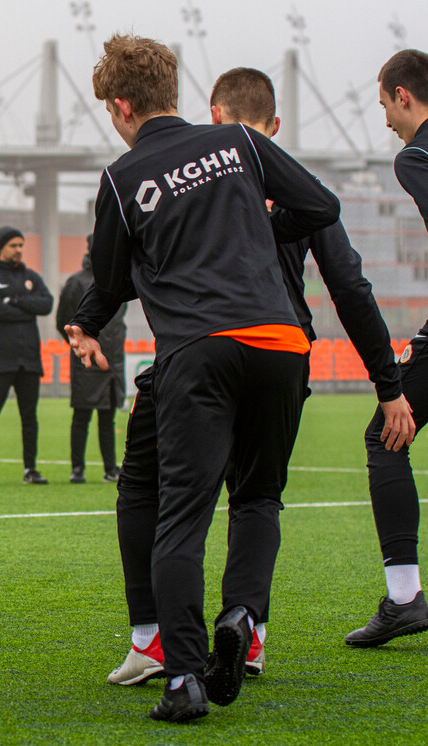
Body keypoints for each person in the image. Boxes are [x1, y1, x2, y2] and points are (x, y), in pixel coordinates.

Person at [70, 67, 415, 689]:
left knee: (161, 500)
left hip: (195, 352)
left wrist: (87, 319)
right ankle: (246, 627)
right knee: (258, 498)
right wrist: (387, 384)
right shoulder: (250, 156)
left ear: (216, 115)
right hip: (283, 347)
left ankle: (163, 654)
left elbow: (115, 275)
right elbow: (350, 286)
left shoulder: (160, 168)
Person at [344, 48, 428, 647]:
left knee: (385, 434)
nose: (387, 120)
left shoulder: (416, 155)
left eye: (384, 105)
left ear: (403, 95)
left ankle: (405, 599)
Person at [0, 226, 54, 486]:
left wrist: (15, 301)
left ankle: (30, 469)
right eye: (13, 245)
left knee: (29, 417)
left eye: (21, 245)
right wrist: (26, 307)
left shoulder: (31, 276)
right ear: (1, 246)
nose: (19, 249)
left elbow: (47, 304)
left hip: (29, 358)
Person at [55, 238, 126, 484]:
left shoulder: (120, 279)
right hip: (84, 360)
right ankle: (78, 469)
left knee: (108, 416)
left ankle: (110, 468)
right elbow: (63, 320)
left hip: (113, 359)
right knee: (82, 415)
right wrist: (79, 348)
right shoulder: (76, 282)